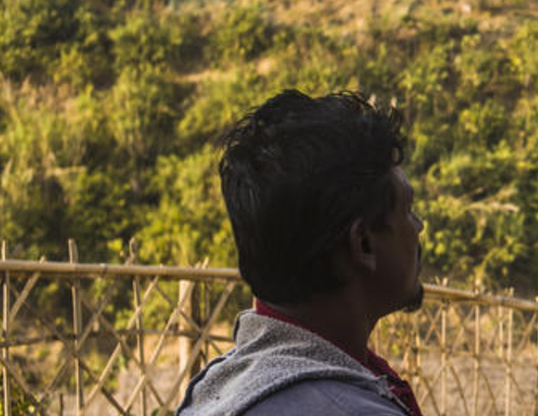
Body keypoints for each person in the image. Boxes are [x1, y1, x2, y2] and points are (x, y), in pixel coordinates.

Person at [178, 91, 426, 416]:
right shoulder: (352, 409)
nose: (418, 226)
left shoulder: (215, 391)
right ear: (363, 244)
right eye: (407, 210)